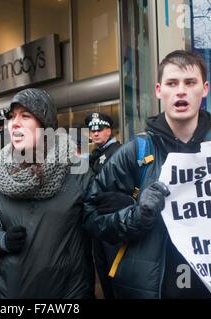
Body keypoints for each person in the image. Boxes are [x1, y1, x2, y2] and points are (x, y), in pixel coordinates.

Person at [83, 50, 211, 299]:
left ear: (204, 89)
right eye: (172, 83)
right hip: (154, 289)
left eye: (189, 82)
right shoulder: (133, 154)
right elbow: (92, 217)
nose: (180, 91)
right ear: (159, 90)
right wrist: (137, 216)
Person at [0, 88, 95, 298]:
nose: (14, 123)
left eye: (25, 116)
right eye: (12, 117)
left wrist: (122, 204)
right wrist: (1, 240)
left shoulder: (76, 172)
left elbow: (102, 226)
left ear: (46, 126)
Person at [83, 112, 122, 299]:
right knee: (103, 269)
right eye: (92, 130)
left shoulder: (119, 152)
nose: (95, 134)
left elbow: (135, 185)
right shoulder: (95, 155)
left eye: (99, 130)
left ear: (109, 131)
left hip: (112, 220)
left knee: (114, 273)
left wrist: (131, 199)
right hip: (97, 220)